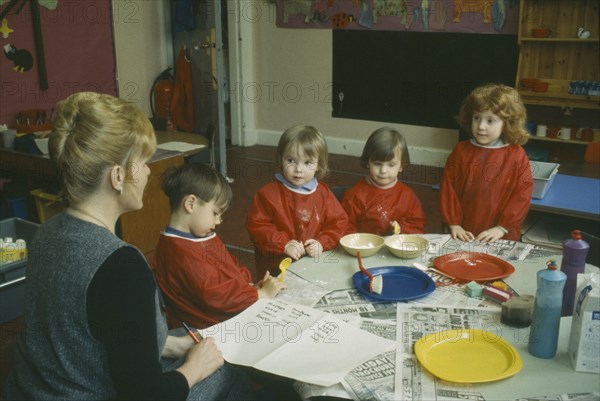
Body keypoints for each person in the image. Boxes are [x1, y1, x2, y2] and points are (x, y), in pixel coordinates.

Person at [3, 92, 253, 400]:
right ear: (118, 177)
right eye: (145, 162)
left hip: (28, 391)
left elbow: (91, 330)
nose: (149, 171)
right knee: (232, 369)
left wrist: (172, 345)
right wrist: (195, 368)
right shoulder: (121, 267)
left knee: (192, 338)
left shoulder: (46, 233)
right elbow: (145, 396)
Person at [153, 163, 287, 330]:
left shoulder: (199, 235)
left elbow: (230, 268)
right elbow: (214, 293)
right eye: (215, 213)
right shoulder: (178, 253)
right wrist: (259, 295)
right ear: (191, 204)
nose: (218, 221)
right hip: (212, 329)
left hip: (231, 308)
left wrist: (250, 287)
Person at [246, 125, 350, 277]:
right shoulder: (268, 194)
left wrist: (321, 242)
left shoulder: (323, 193)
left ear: (319, 165)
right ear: (281, 159)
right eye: (291, 160)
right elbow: (257, 225)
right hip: (277, 268)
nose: (298, 169)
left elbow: (339, 222)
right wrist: (283, 244)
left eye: (307, 162)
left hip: (313, 266)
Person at [440, 83, 533, 242]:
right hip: (463, 231)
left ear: (507, 123)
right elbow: (448, 188)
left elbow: (522, 195)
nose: (481, 126)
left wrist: (502, 227)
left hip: (499, 234)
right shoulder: (461, 151)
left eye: (490, 121)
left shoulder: (516, 155)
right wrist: (454, 223)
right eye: (477, 118)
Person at [341, 127, 427, 235]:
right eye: (377, 164)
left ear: (401, 166)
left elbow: (417, 227)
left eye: (391, 165)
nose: (383, 171)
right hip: (364, 249)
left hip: (398, 249)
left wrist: (401, 230)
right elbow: (344, 227)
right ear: (368, 162)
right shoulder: (354, 196)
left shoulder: (408, 197)